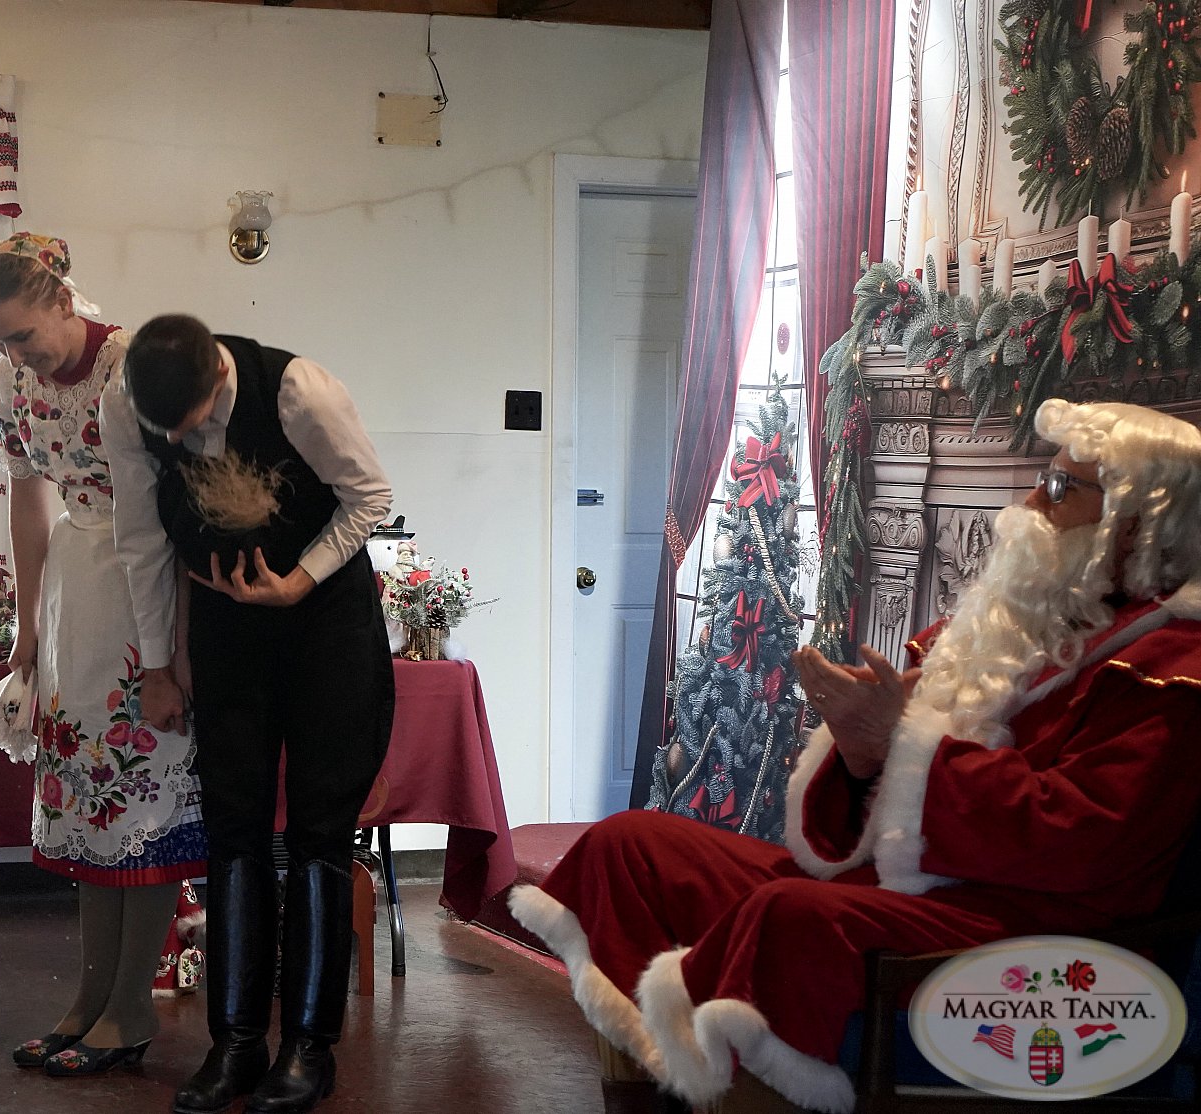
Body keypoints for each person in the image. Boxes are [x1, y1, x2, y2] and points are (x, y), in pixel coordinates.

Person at [510, 399, 1201, 1114]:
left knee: (789, 917)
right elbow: (879, 805)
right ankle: (661, 1090)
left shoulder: (1171, 669)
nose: (1029, 504)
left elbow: (1082, 840)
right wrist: (858, 753)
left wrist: (903, 745)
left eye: (1060, 488)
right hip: (905, 885)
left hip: (1037, 929)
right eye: (1040, 480)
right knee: (631, 847)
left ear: (1137, 523)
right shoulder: (1010, 629)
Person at [101, 313, 394, 1114]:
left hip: (325, 622)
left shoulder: (299, 391)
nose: (177, 441)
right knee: (234, 829)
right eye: (165, 428)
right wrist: (157, 664)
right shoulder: (126, 404)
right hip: (227, 624)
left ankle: (308, 1049)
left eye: (188, 422)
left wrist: (299, 581)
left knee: (320, 834)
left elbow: (369, 496)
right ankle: (234, 1044)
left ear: (218, 379)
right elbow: (141, 538)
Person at [0, 233, 207, 1077]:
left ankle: (130, 1006)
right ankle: (90, 998)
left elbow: (181, 512)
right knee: (88, 801)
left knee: (143, 799)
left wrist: (175, 653)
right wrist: (28, 625)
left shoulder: (131, 368)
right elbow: (27, 503)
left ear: (65, 303)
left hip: (150, 584)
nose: (15, 355)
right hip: (77, 589)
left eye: (23, 335)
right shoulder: (11, 378)